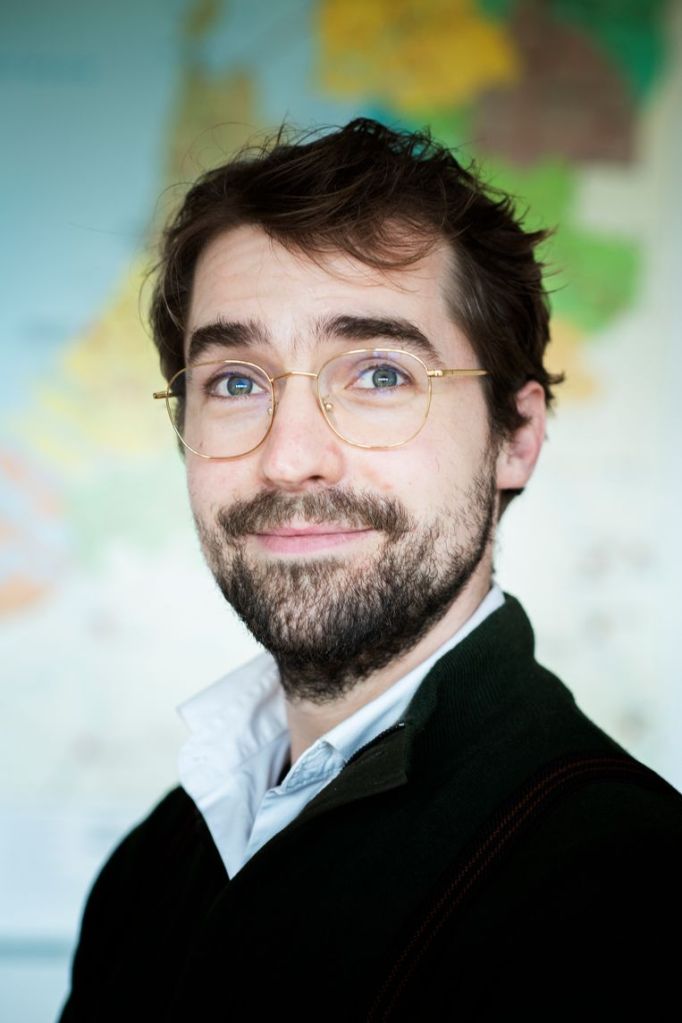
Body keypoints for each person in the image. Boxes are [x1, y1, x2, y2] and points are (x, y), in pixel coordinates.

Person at [59, 118, 682, 1021]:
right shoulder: (148, 870)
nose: (289, 458)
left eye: (380, 374)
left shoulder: (632, 891)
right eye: (235, 381)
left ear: (516, 438)